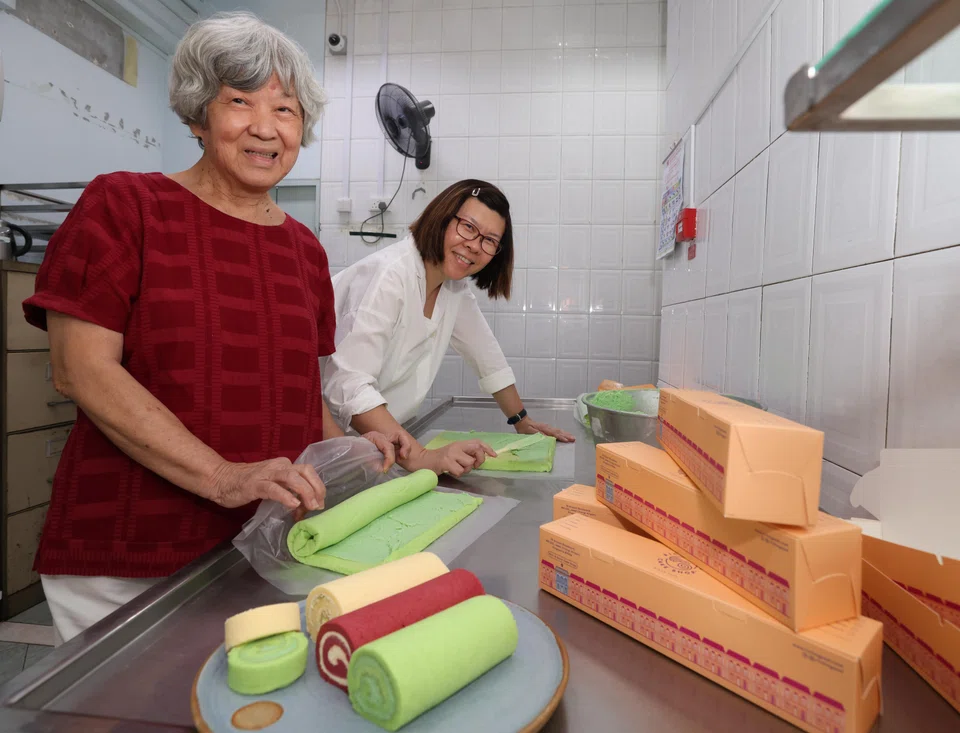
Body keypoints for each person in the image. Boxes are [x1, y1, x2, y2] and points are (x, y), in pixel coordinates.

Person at [21, 12, 400, 643]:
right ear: (199, 116)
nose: (264, 125)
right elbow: (80, 369)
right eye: (239, 101)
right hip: (132, 553)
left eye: (285, 109)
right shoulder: (125, 206)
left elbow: (302, 401)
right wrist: (225, 476)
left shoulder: (305, 250)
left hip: (263, 549)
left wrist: (358, 468)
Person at [322, 180, 576, 478]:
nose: (474, 245)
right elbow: (348, 385)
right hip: (329, 443)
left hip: (380, 446)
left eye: (490, 240)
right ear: (442, 217)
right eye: (468, 227)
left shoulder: (452, 288)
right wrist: (422, 457)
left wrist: (521, 419)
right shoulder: (389, 275)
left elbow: (486, 355)